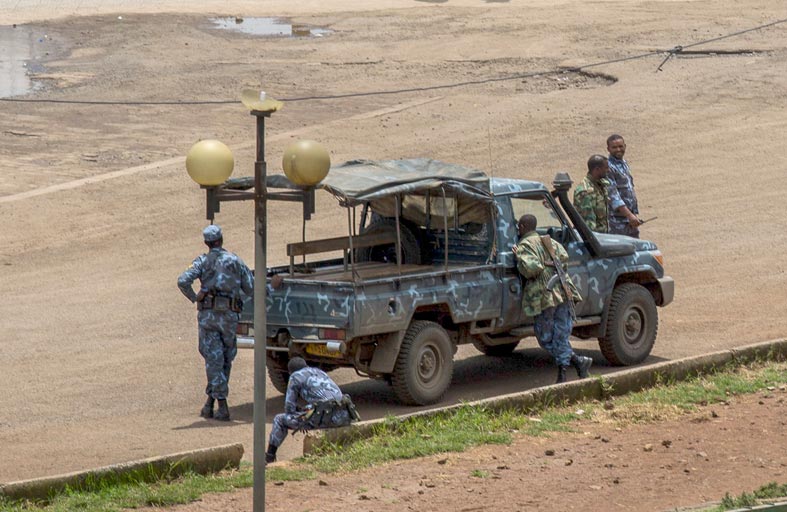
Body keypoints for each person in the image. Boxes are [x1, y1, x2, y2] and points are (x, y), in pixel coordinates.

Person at [178, 225, 254, 421]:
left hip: (209, 317)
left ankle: (221, 404)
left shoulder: (202, 261)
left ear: (207, 243)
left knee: (214, 360)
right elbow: (250, 287)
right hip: (229, 316)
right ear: (221, 239)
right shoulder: (235, 261)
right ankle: (211, 403)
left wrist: (195, 297)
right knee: (225, 359)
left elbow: (183, 281)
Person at [512, 214, 593, 383]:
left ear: (522, 227)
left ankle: (575, 364)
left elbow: (532, 269)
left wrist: (519, 256)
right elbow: (564, 259)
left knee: (545, 336)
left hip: (544, 294)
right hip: (563, 289)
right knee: (561, 334)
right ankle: (573, 366)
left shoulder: (524, 245)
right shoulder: (550, 241)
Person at [265, 357, 359, 463]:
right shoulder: (320, 372)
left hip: (325, 418)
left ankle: (269, 456)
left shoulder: (295, 377)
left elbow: (289, 408)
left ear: (291, 371)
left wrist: (300, 415)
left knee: (279, 419)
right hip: (344, 415)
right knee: (310, 410)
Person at [606, 134, 643, 238]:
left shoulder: (624, 164)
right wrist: (629, 215)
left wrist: (633, 214)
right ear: (608, 149)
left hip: (630, 218)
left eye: (621, 146)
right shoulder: (608, 167)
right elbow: (613, 196)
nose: (618, 149)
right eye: (614, 147)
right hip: (617, 220)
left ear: (625, 146)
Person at [573, 154, 611, 233]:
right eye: (606, 168)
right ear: (597, 169)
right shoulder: (585, 191)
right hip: (595, 239)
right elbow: (588, 223)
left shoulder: (601, 184)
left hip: (604, 237)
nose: (609, 170)